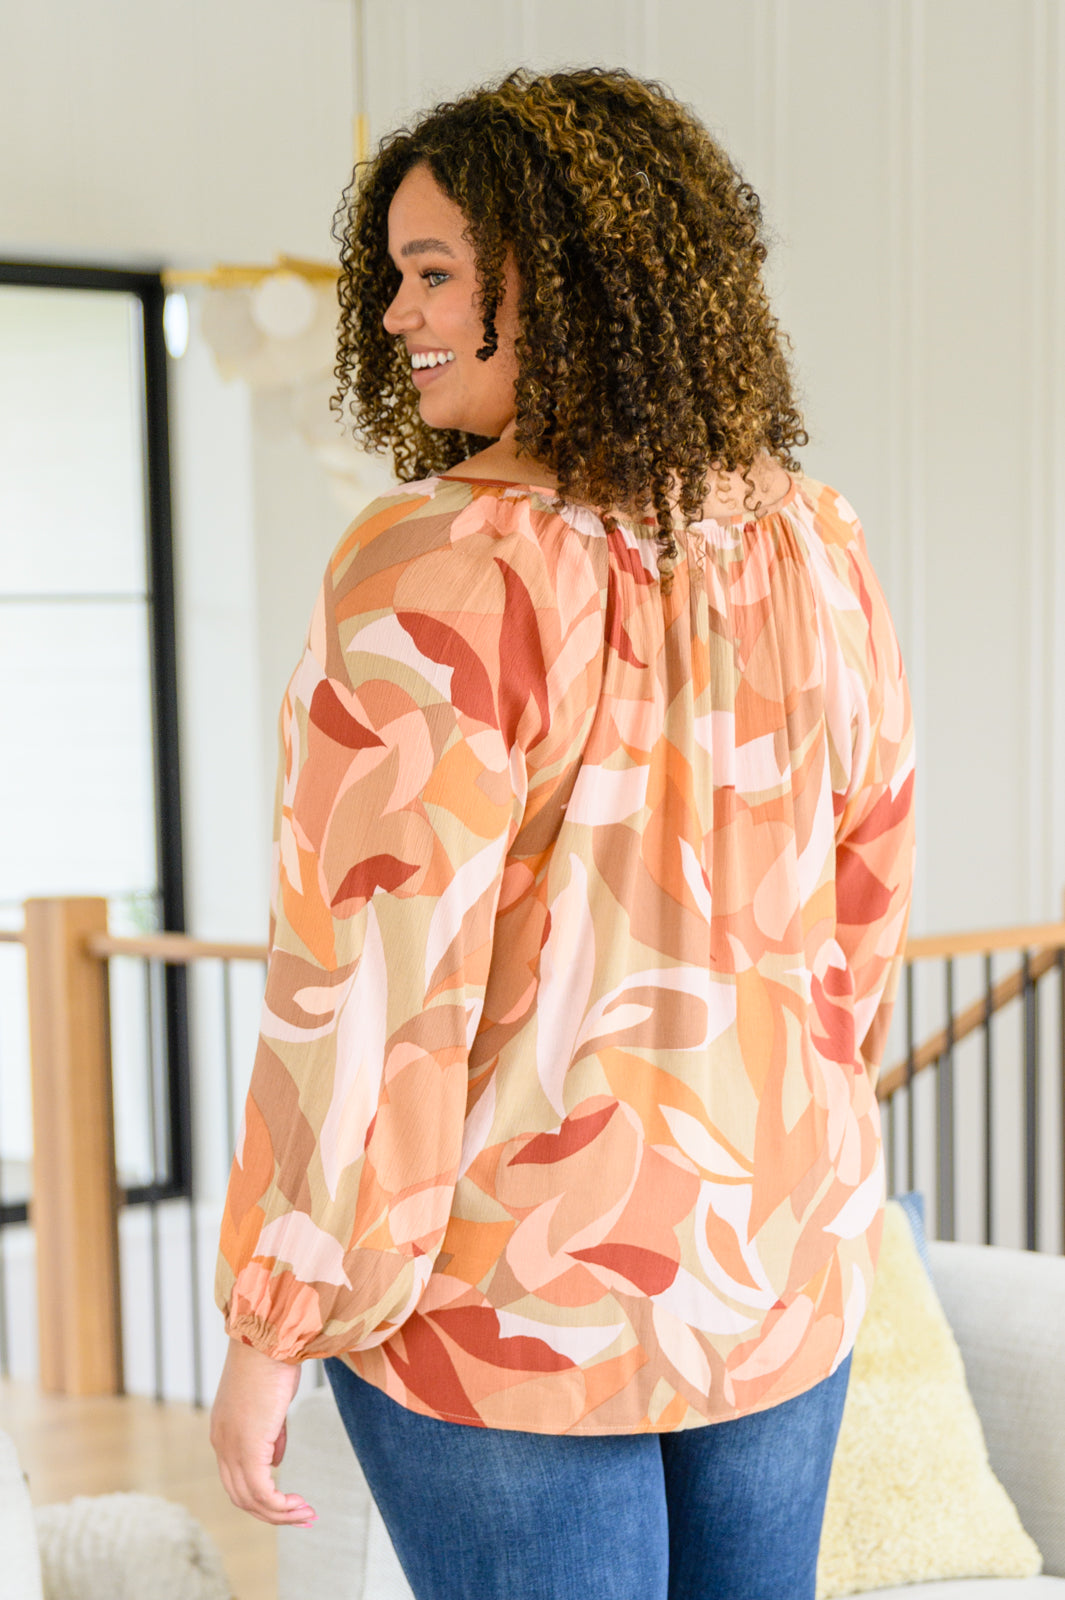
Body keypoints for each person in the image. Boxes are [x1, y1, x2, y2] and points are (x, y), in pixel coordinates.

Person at [210, 66, 916, 1600]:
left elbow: (372, 986)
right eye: (394, 276)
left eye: (431, 274)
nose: (394, 315)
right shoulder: (816, 543)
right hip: (772, 1257)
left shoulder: (435, 565)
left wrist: (277, 1318)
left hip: (509, 1290)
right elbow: (862, 904)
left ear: (559, 283)